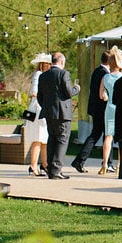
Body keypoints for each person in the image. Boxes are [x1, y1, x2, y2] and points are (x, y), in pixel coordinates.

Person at [72, 46, 117, 173]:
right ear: (110, 62)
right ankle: (106, 162)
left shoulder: (97, 71)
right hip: (102, 109)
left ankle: (85, 160)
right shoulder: (105, 74)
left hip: (96, 109)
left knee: (98, 135)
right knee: (106, 135)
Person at [37, 51, 78, 180]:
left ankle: (50, 168)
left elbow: (40, 96)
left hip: (49, 112)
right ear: (61, 62)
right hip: (62, 113)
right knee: (62, 140)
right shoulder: (63, 74)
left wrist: (46, 106)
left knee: (52, 139)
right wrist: (77, 88)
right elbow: (68, 92)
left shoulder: (43, 76)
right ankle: (56, 169)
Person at [99, 48, 122, 174]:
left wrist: (107, 95)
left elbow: (101, 95)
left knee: (108, 136)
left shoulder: (105, 77)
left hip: (109, 106)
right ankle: (120, 164)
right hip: (121, 108)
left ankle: (104, 163)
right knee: (121, 137)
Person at [24, 53, 51, 176]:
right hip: (37, 108)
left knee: (44, 139)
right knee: (38, 139)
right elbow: (34, 92)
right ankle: (33, 165)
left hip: (43, 107)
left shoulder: (45, 75)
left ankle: (44, 164)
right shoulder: (38, 75)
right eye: (47, 63)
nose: (49, 65)